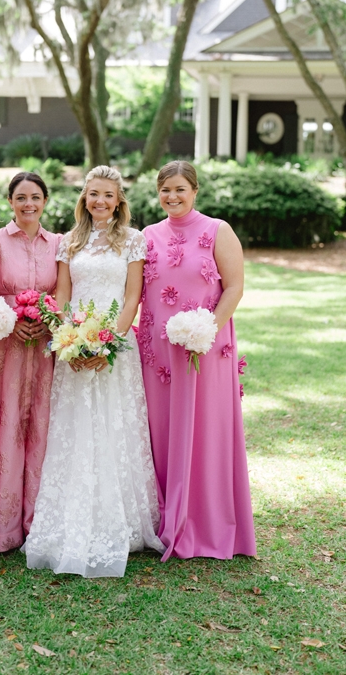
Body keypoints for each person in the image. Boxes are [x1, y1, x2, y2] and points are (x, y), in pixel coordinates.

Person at [23, 165, 165, 577]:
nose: (99, 201)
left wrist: (108, 344)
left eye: (107, 195)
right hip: (73, 347)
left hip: (115, 347)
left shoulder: (133, 241)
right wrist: (69, 339)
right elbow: (64, 294)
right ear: (83, 198)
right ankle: (69, 523)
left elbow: (132, 296)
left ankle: (119, 523)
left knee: (114, 427)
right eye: (92, 194)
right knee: (75, 429)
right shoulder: (70, 241)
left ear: (119, 199)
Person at [138, 160, 256, 560]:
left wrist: (207, 329)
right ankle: (164, 518)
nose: (172, 196)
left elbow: (235, 286)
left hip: (206, 347)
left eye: (180, 189)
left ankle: (206, 521)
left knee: (206, 428)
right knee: (162, 429)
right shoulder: (147, 235)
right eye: (165, 190)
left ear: (195, 190)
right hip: (157, 353)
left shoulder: (217, 230)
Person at [0, 172, 62, 551]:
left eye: (35, 197)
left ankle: (37, 520)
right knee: (7, 426)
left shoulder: (59, 243)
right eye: (20, 198)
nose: (28, 204)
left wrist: (48, 320)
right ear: (10, 202)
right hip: (6, 351)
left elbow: (64, 294)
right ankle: (3, 525)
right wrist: (12, 318)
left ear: (45, 200)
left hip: (46, 350)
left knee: (42, 428)